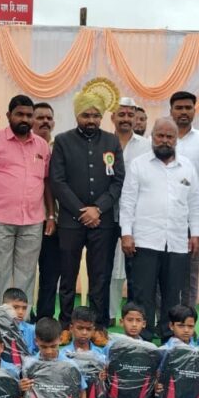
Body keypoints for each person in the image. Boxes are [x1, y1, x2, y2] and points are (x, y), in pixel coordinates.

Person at [50, 86, 125, 330]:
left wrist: (98, 209)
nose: (91, 120)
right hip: (71, 222)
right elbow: (57, 181)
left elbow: (118, 180)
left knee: (100, 277)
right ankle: (66, 325)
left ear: (101, 117)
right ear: (77, 115)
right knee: (67, 276)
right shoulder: (63, 141)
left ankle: (98, 326)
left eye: (95, 115)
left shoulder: (112, 141)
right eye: (86, 115)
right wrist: (82, 211)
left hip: (103, 223)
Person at [120, 117, 199, 339]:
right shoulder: (139, 164)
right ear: (152, 137)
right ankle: (144, 338)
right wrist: (126, 233)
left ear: (176, 140)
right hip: (144, 240)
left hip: (177, 243)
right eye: (160, 136)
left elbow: (195, 203)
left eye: (169, 137)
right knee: (143, 293)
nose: (164, 140)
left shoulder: (187, 167)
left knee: (172, 294)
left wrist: (196, 233)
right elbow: (127, 201)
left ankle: (169, 337)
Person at [0, 95, 54, 306]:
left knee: (26, 272)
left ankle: (21, 319)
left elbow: (46, 181)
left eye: (29, 115)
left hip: (33, 220)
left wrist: (51, 215)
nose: (25, 119)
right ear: (9, 115)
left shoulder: (42, 146)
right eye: (20, 114)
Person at [169, 91, 199, 308]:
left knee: (190, 272)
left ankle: (187, 318)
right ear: (171, 111)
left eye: (188, 108)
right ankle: (164, 318)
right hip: (164, 216)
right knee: (164, 271)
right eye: (179, 108)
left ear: (194, 111)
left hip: (193, 217)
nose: (183, 112)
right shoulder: (160, 137)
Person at [109, 97, 151, 321]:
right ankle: (108, 314)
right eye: (121, 114)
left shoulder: (146, 146)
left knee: (136, 270)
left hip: (137, 216)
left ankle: (134, 318)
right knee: (108, 267)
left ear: (136, 118)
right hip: (107, 213)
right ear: (112, 117)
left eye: (130, 115)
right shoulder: (104, 142)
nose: (126, 119)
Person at [32, 102, 61, 321]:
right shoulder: (25, 145)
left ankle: (45, 316)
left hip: (56, 220)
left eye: (48, 118)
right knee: (24, 272)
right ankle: (22, 315)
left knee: (50, 272)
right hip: (28, 219)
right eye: (40, 117)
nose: (45, 122)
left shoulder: (61, 146)